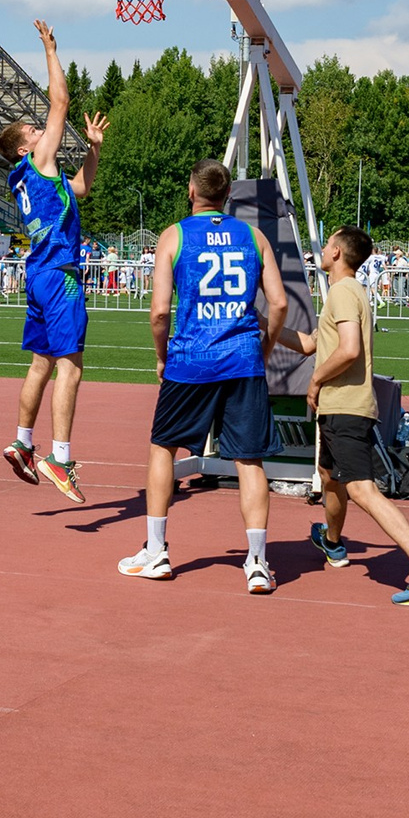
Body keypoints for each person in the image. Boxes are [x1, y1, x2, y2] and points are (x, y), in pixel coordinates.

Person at [118, 159, 289, 593]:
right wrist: (264, 349)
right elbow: (279, 304)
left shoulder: (174, 235)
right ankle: (257, 562)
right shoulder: (254, 237)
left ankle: (156, 550)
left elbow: (160, 312)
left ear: (191, 191)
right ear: (228, 195)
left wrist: (162, 357)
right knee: (249, 460)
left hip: (191, 359)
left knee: (163, 448)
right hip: (242, 358)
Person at [297, 225, 409, 605]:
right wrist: (264, 324)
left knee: (361, 489)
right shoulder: (345, 292)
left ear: (337, 252)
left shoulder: (343, 292)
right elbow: (310, 344)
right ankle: (333, 542)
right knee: (329, 477)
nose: (322, 249)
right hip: (340, 407)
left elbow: (349, 349)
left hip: (345, 406)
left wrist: (315, 381)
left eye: (327, 243)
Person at [0, 20, 107, 505]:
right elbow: (59, 101)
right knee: (71, 368)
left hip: (40, 275)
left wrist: (94, 150)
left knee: (41, 363)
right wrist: (50, 50)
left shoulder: (36, 177)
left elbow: (82, 187)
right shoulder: (37, 161)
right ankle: (60, 458)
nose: (42, 131)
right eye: (33, 131)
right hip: (60, 275)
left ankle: (22, 442)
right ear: (25, 148)